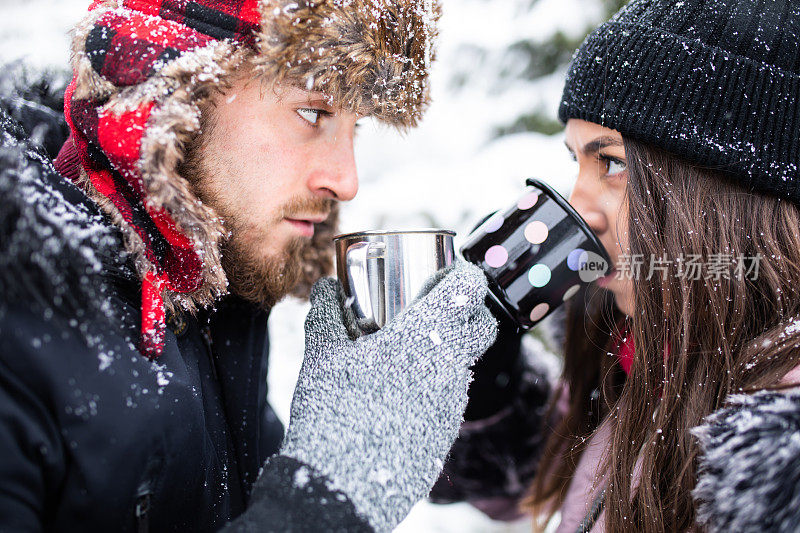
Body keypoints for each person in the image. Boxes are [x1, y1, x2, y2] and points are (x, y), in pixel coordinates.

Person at [0, 0, 500, 531]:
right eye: (314, 112)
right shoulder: (16, 323)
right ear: (180, 87)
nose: (347, 181)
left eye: (358, 128)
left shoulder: (214, 296)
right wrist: (326, 502)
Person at [432, 0, 800, 531]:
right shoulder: (649, 352)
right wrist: (490, 390)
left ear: (728, 192)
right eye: (576, 161)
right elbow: (554, 478)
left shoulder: (776, 466)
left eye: (613, 163)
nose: (577, 208)